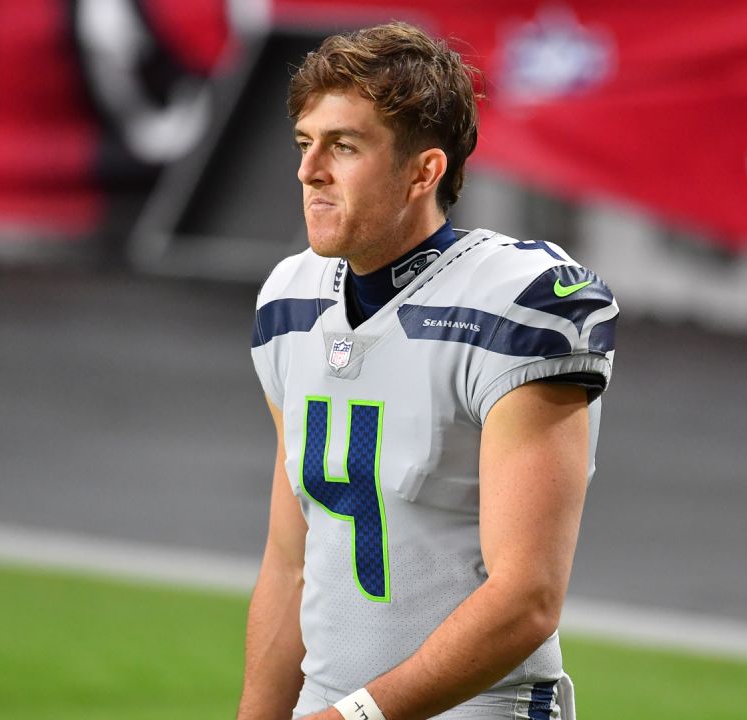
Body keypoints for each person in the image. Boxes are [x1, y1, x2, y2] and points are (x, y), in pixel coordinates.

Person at [240, 21, 617, 720]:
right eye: (304, 143)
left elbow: (526, 599)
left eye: (342, 146)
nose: (308, 169)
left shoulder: (517, 302)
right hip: (328, 707)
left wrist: (353, 719)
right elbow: (290, 563)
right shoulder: (289, 302)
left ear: (424, 171)